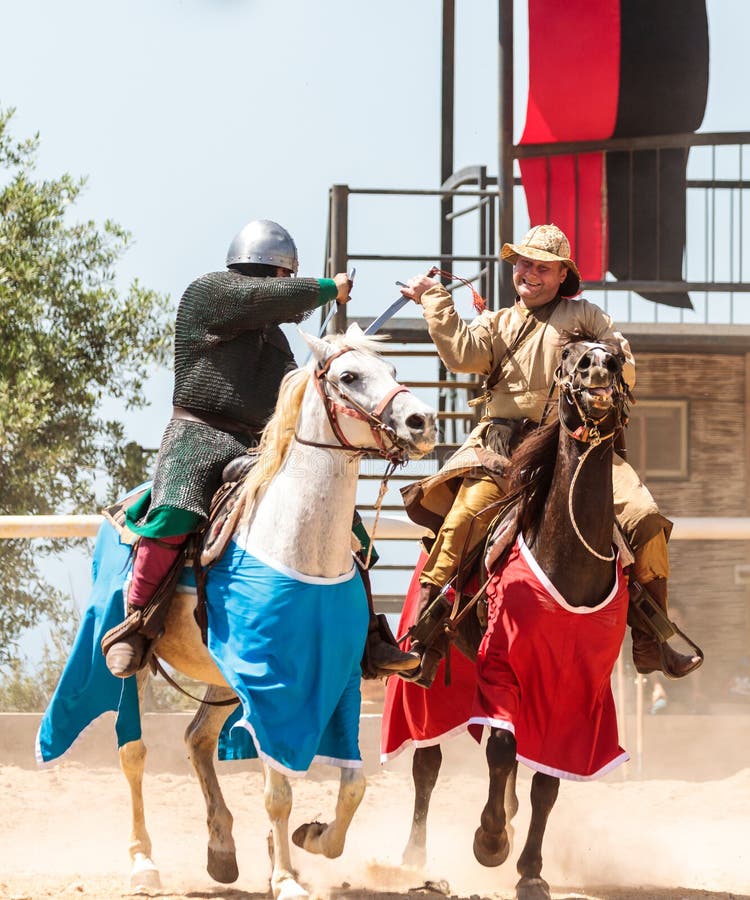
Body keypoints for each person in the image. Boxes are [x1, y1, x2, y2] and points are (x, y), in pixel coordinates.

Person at [104, 219, 419, 678]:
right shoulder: (209, 294)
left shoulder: (273, 338)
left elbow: (291, 392)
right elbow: (262, 300)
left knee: (348, 530)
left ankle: (369, 635)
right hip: (198, 436)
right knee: (176, 512)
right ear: (269, 273)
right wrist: (330, 288)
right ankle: (137, 623)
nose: (287, 292)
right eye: (286, 282)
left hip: (257, 445)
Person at [398, 223, 701, 680]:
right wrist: (435, 299)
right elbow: (461, 354)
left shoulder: (589, 317)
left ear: (563, 275)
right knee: (462, 521)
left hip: (577, 444)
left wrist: (599, 361)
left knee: (645, 518)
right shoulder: (495, 323)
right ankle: (426, 634)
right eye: (523, 263)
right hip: (503, 449)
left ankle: (651, 637)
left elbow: (625, 369)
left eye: (542, 266)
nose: (530, 273)